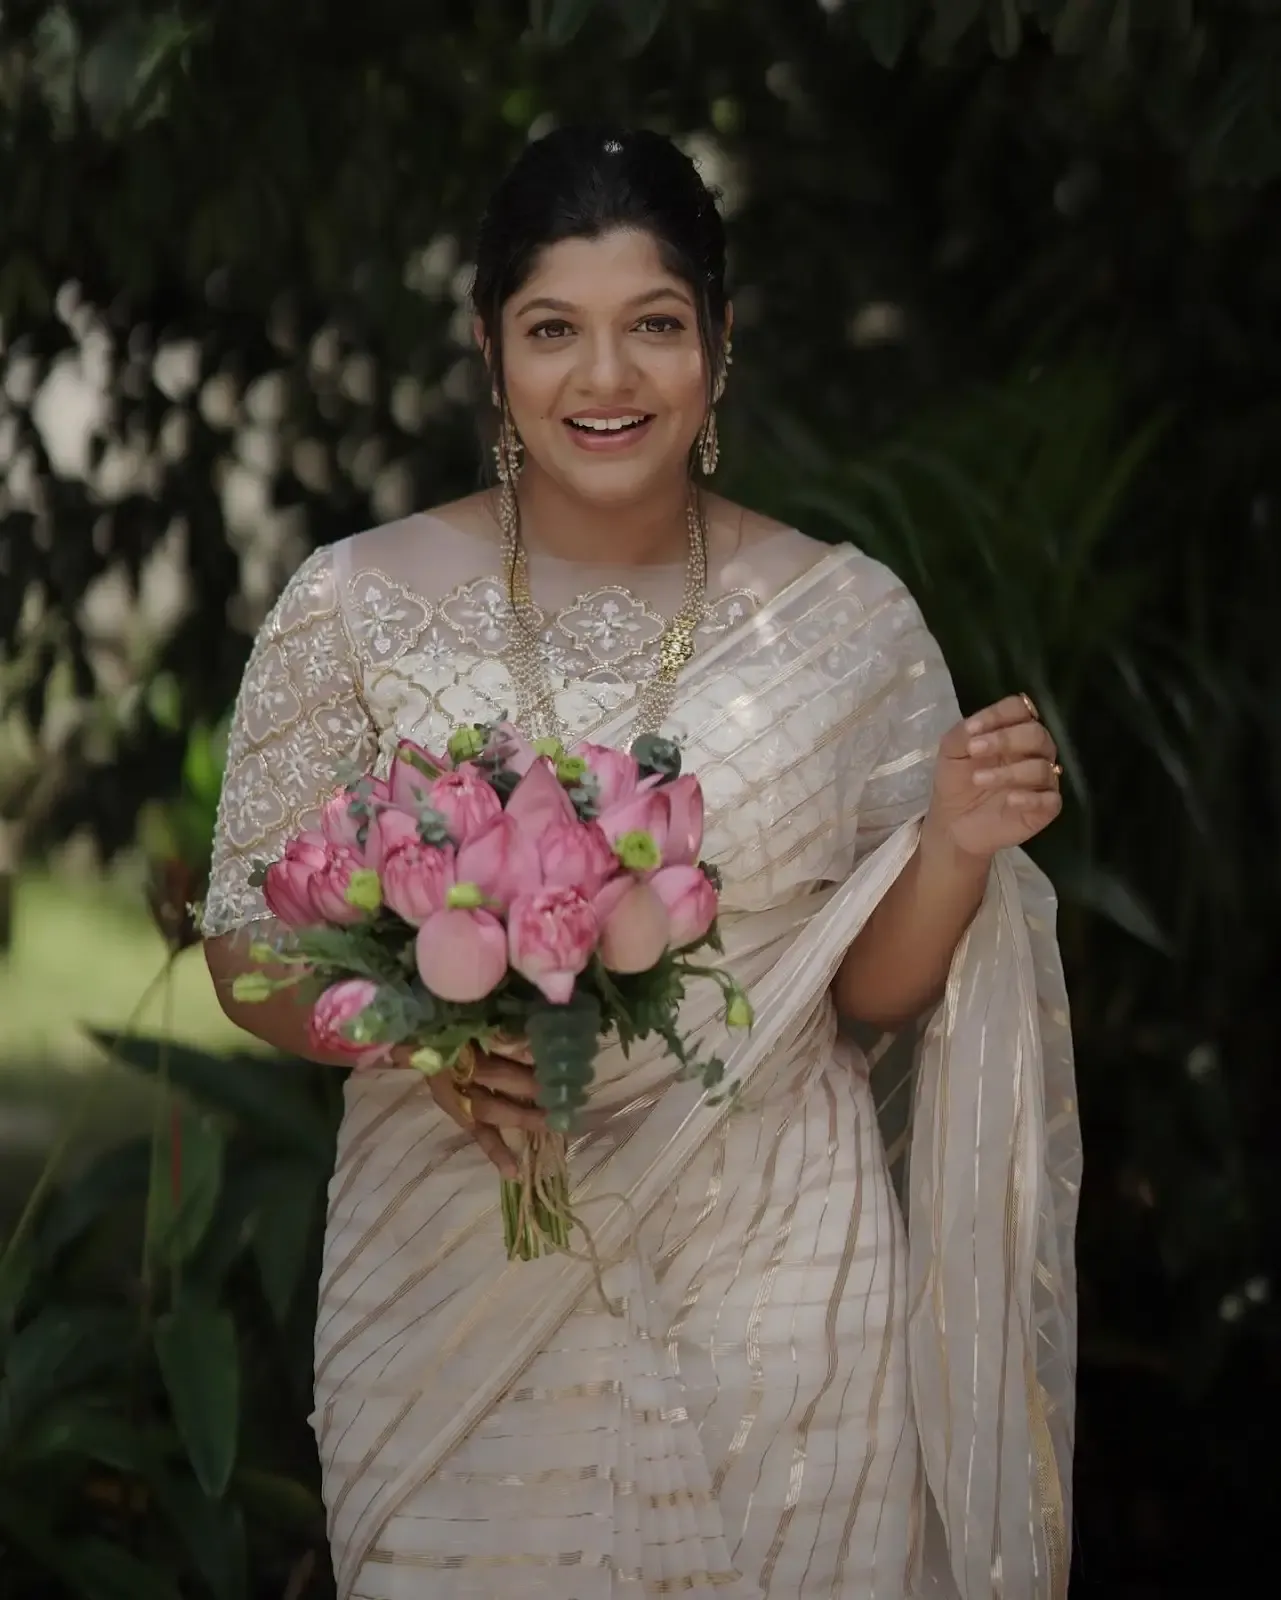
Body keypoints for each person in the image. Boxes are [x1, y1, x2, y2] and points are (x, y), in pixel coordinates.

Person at [202, 126, 1079, 1600]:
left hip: (786, 1284)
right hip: (452, 1278)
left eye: (654, 328)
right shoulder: (352, 605)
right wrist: (419, 1034)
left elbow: (865, 1002)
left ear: (719, 349)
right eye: (555, 331)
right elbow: (245, 947)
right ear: (491, 351)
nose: (605, 380)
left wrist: (951, 846)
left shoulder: (845, 622)